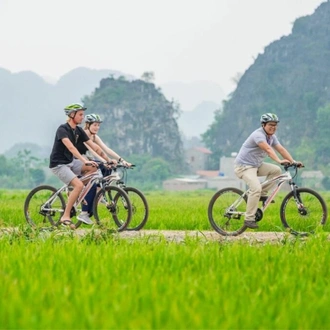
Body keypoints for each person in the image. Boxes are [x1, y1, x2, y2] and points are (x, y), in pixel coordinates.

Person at [234, 113, 303, 229]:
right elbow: (268, 149)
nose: (273, 127)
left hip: (256, 165)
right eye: (271, 125)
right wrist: (279, 160)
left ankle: (261, 194)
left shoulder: (272, 137)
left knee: (276, 170)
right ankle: (249, 218)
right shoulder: (258, 135)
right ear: (263, 125)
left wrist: (293, 161)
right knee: (255, 188)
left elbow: (280, 149)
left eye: (275, 125)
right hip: (244, 167)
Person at [49, 103, 113, 229]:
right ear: (72, 115)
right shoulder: (62, 129)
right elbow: (71, 147)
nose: (82, 117)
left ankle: (78, 193)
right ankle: (65, 216)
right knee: (78, 184)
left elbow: (94, 146)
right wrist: (84, 160)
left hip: (71, 163)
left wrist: (108, 160)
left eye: (83, 115)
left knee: (95, 168)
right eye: (80, 115)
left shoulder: (78, 130)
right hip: (59, 164)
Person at [75, 113, 132, 218]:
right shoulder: (84, 134)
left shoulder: (94, 136)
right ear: (88, 125)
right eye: (95, 125)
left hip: (89, 160)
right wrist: (105, 161)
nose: (97, 127)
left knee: (107, 168)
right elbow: (93, 151)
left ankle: (99, 192)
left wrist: (122, 161)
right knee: (102, 166)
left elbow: (106, 149)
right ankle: (93, 197)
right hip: (78, 161)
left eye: (98, 125)